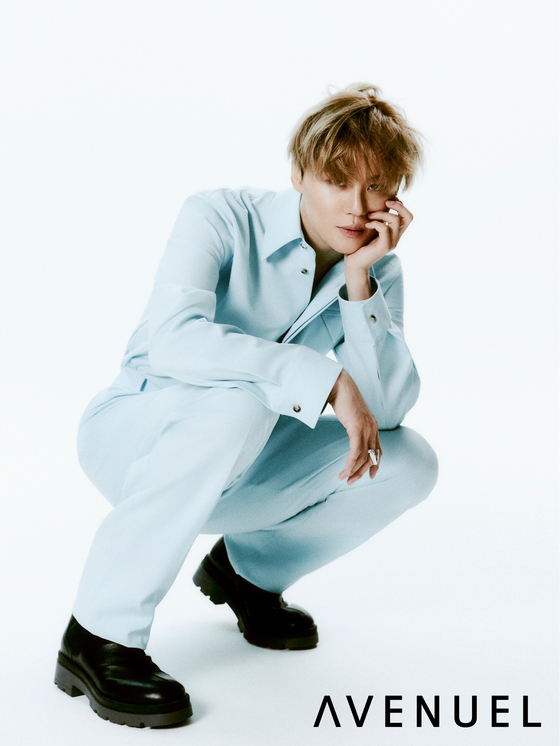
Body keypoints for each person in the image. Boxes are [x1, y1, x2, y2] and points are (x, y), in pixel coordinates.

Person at [54, 82, 439, 728]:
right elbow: (173, 339)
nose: (355, 205)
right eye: (336, 180)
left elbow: (389, 412)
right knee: (243, 403)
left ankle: (246, 573)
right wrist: (322, 378)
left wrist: (358, 281)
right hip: (136, 435)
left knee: (410, 461)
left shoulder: (375, 272)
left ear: (396, 195)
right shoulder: (219, 216)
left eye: (376, 186)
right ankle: (97, 634)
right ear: (298, 173)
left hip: (245, 461)